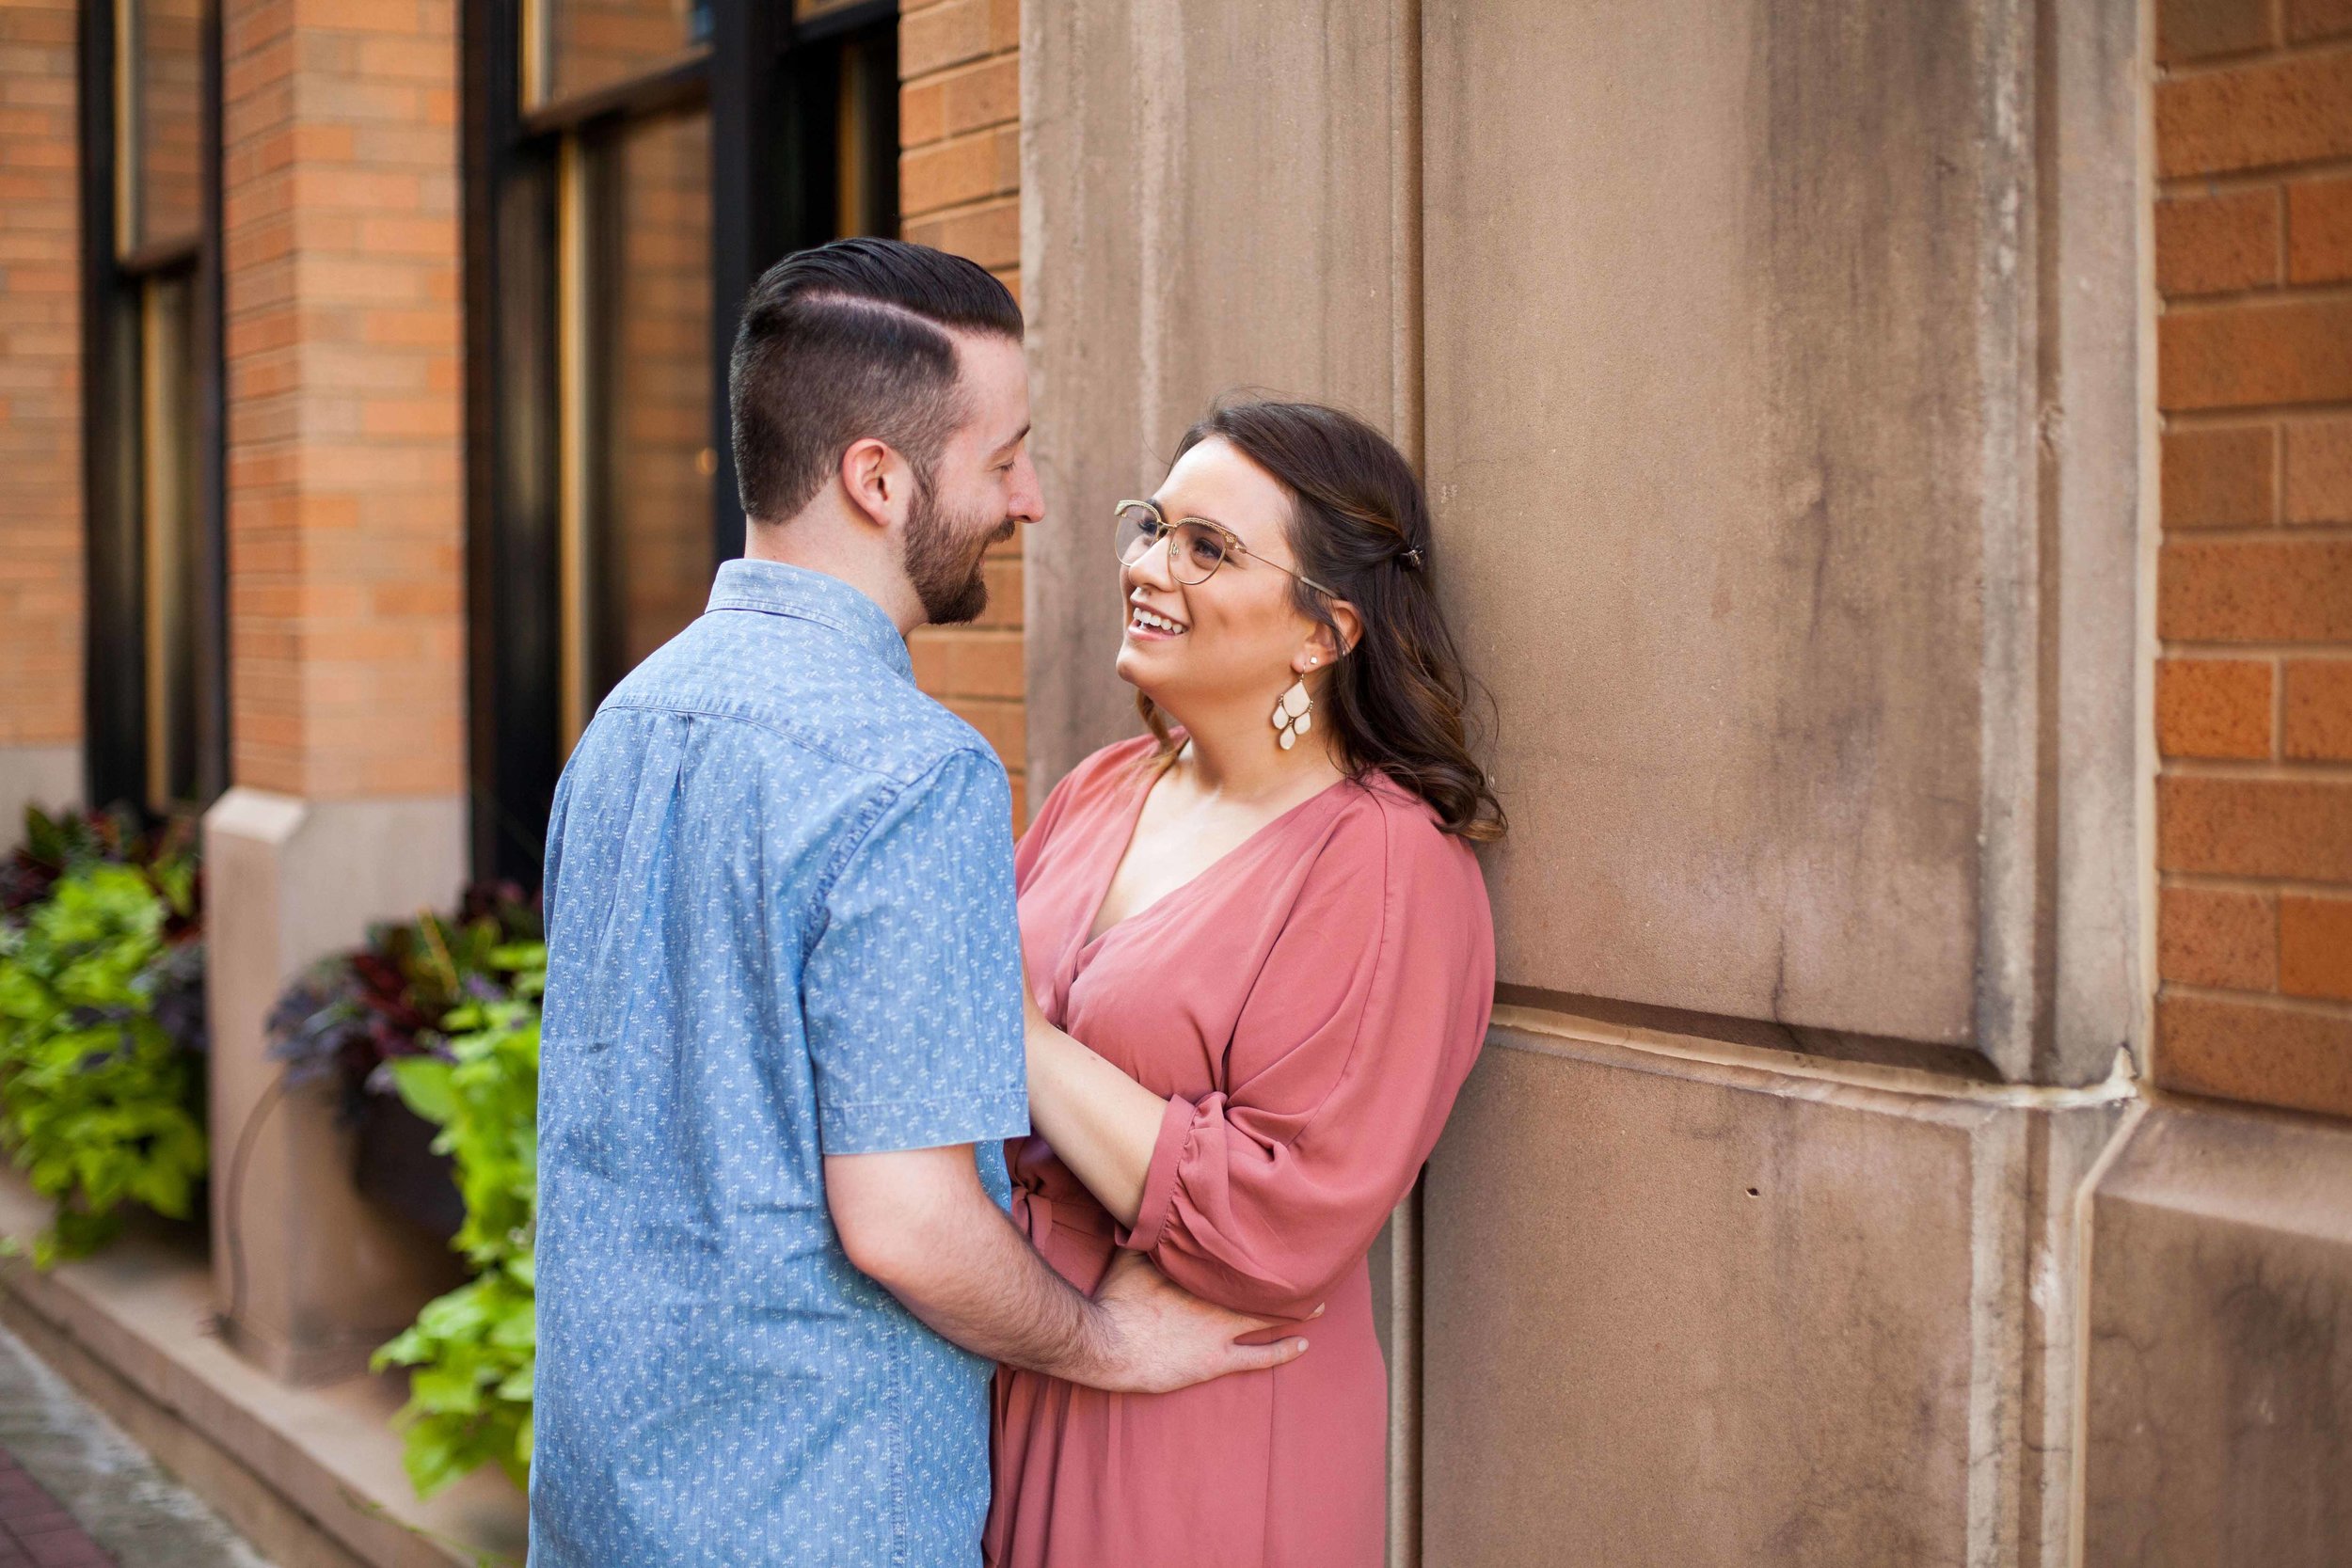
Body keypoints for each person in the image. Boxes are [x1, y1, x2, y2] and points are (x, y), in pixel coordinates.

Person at [528, 240, 1307, 1568]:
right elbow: (906, 1217)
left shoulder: (626, 720)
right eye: (1003, 457)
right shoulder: (913, 767)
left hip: (603, 1505)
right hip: (823, 1513)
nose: (1035, 498)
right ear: (877, 478)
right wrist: (1105, 1341)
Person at [986, 399, 1502, 1568]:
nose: (1147, 566)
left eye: (1206, 547)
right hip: (1027, 1356)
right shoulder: (1106, 785)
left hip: (1197, 1409)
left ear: (1322, 632)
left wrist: (1018, 1041)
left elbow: (1279, 1217)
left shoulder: (1383, 860)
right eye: (1152, 526)